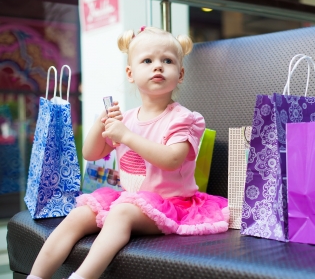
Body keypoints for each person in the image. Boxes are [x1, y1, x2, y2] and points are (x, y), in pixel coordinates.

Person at [27, 26, 229, 279]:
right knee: (79, 214)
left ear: (181, 74)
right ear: (131, 73)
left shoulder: (184, 119)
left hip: (173, 204)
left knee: (122, 211)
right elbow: (91, 153)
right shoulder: (128, 118)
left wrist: (126, 136)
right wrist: (101, 124)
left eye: (167, 60)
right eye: (148, 60)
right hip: (129, 199)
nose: (158, 66)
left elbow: (172, 159)